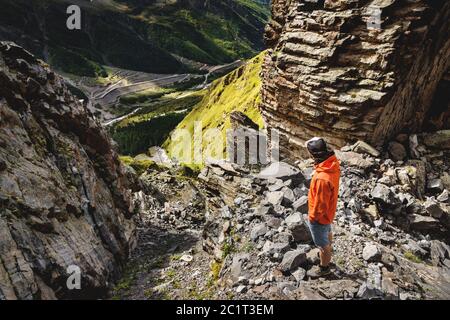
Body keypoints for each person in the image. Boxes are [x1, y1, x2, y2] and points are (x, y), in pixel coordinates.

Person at [305, 137, 341, 278]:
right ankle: (327, 249)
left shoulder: (321, 179)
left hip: (320, 218)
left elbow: (320, 206)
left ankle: (324, 267)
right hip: (329, 213)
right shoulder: (332, 163)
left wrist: (313, 218)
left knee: (322, 244)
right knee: (327, 232)